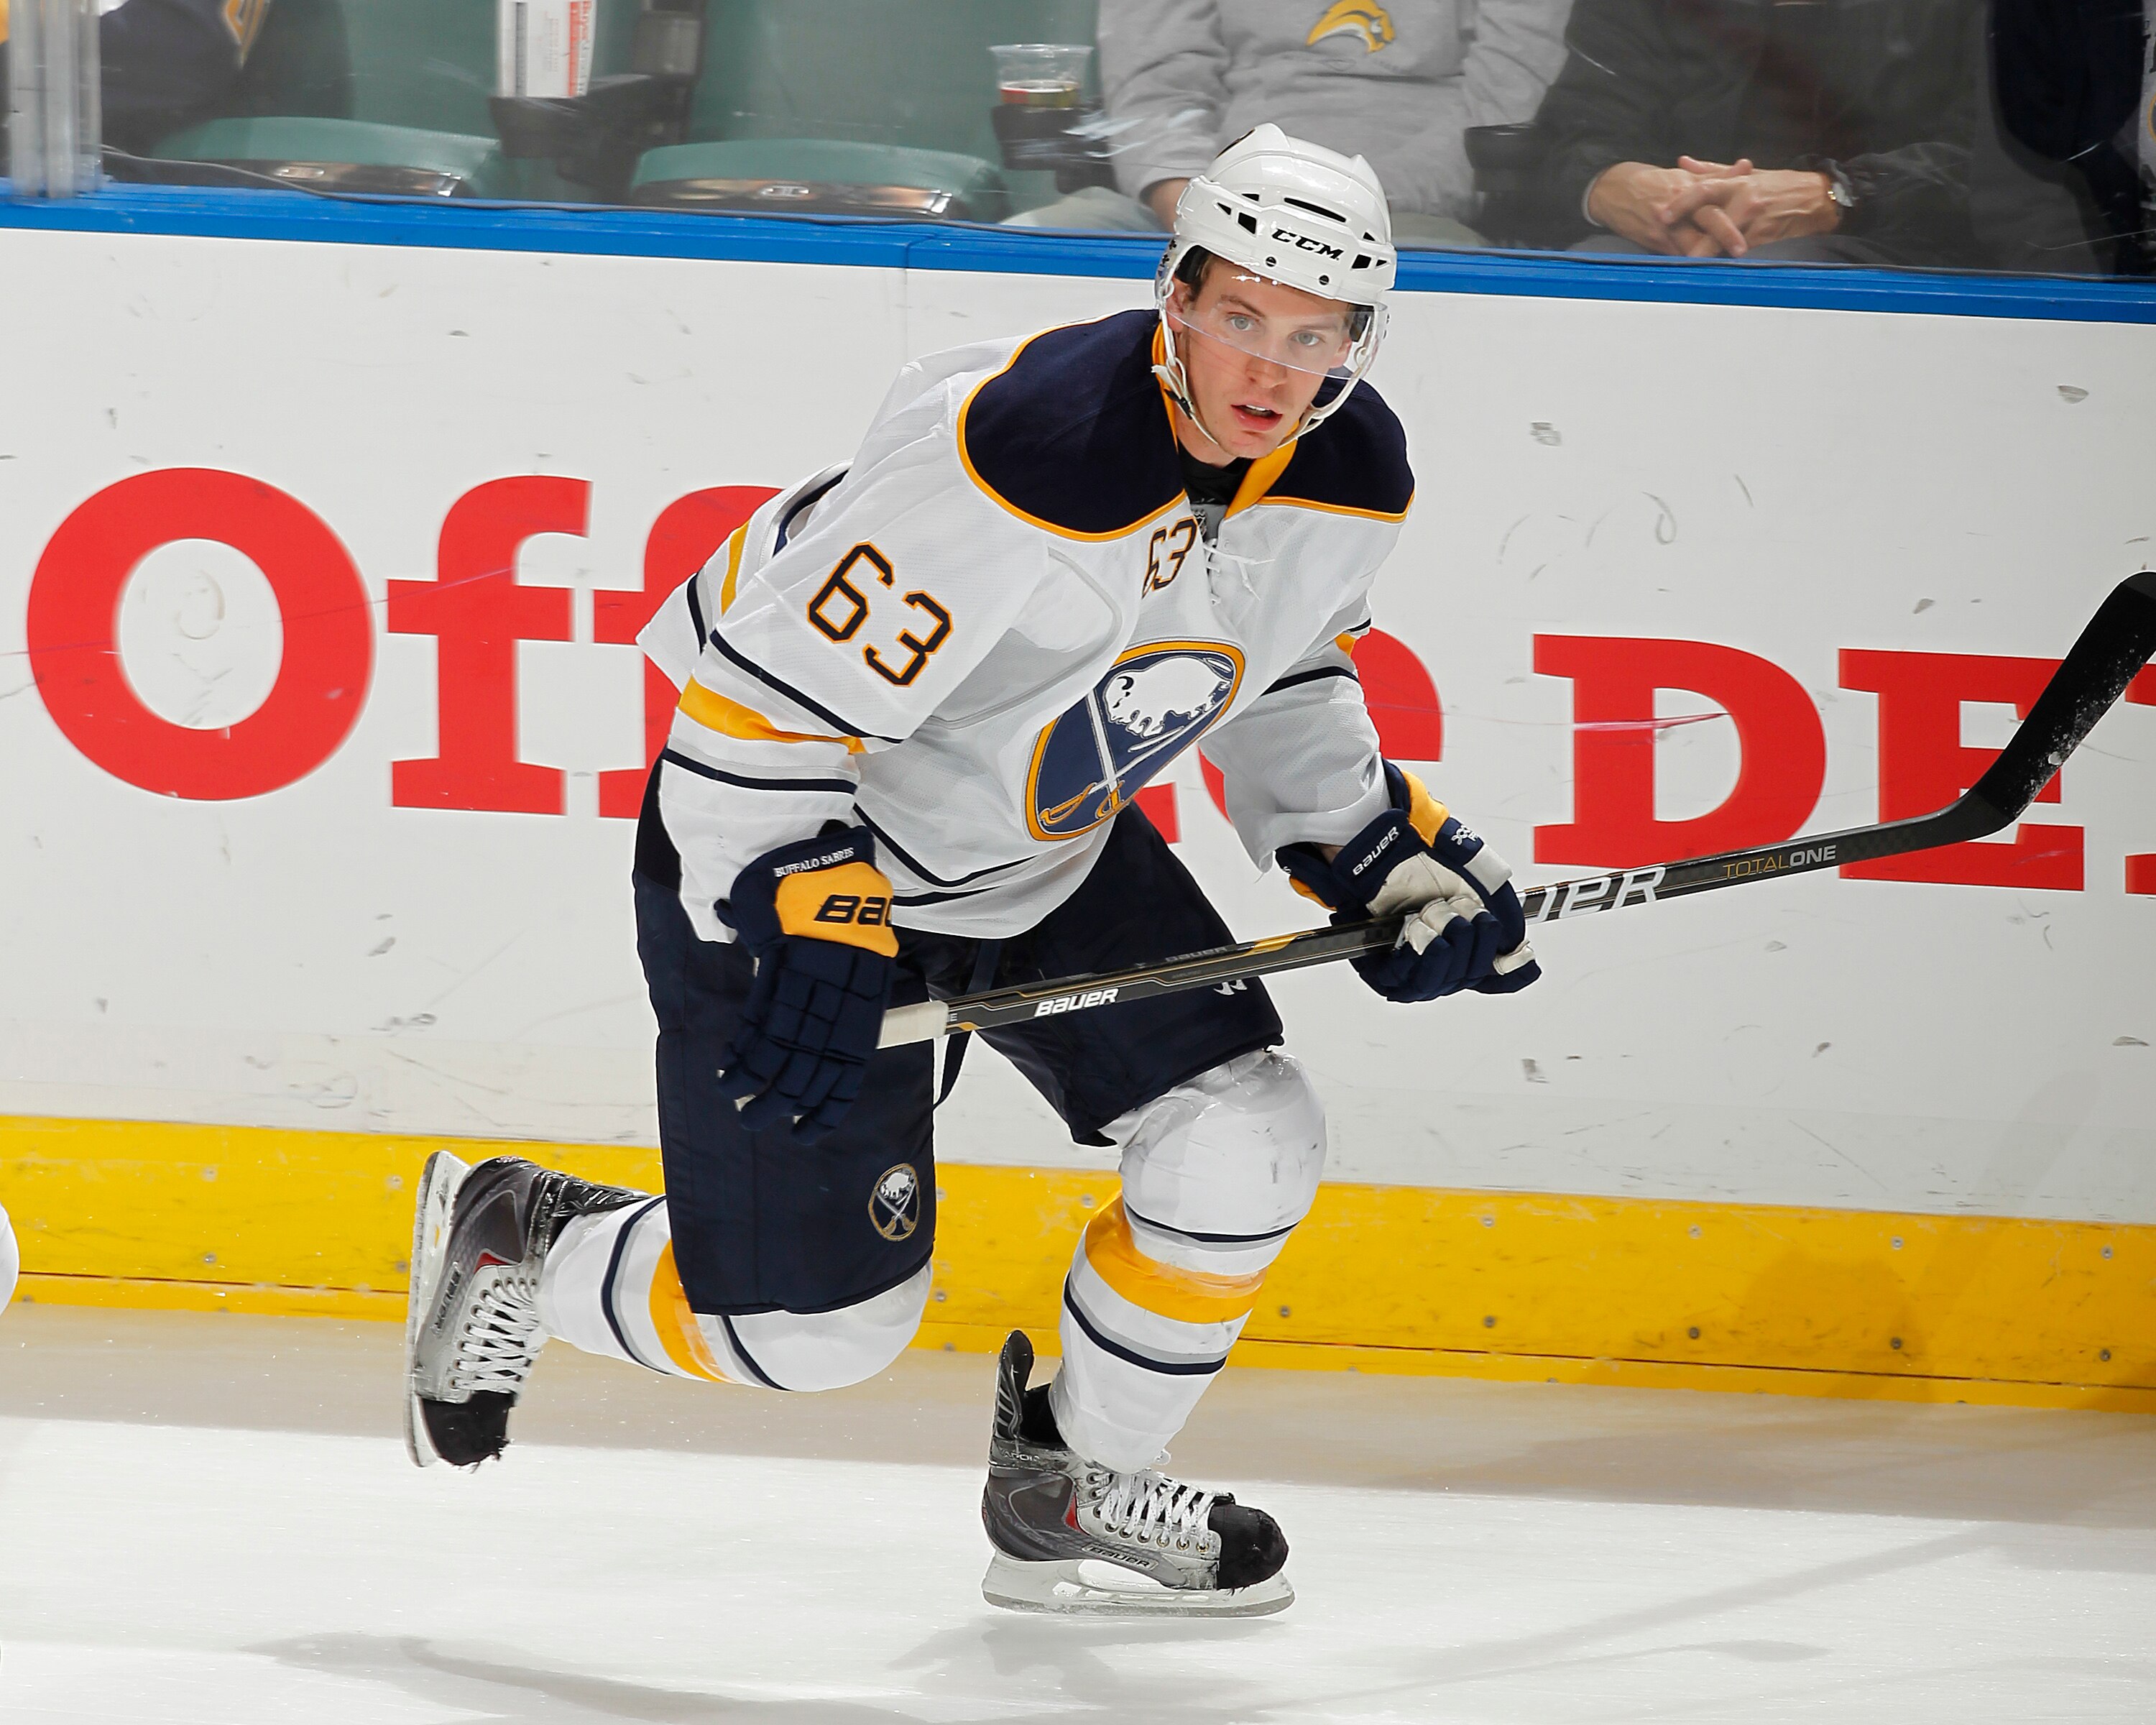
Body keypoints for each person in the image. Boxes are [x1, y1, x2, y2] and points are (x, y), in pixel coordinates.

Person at [402, 125, 1541, 1617]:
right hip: (801, 841)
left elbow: (1277, 666)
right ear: (1177, 297)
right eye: (1244, 316)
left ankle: (1064, 1483)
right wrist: (804, 901)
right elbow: (757, 702)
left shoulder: (1349, 463)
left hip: (1030, 854)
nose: (1274, 368)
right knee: (809, 1341)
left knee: (1247, 1133)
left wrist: (1374, 850)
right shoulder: (1027, 452)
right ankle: (519, 1235)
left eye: (1317, 334)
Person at [1010, 0, 1573, 246]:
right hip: (1215, 203)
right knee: (1020, 251)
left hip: (1404, 218)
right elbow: (1157, 86)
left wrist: (1318, 215)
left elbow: (1503, 109)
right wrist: (1197, 205)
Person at [1528, 0, 1984, 265]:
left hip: (1898, 243)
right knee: (1601, 278)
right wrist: (1615, 183)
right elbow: (1577, 126)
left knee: (1771, 284)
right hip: (1674, 239)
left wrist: (1841, 197)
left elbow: (2003, 165)